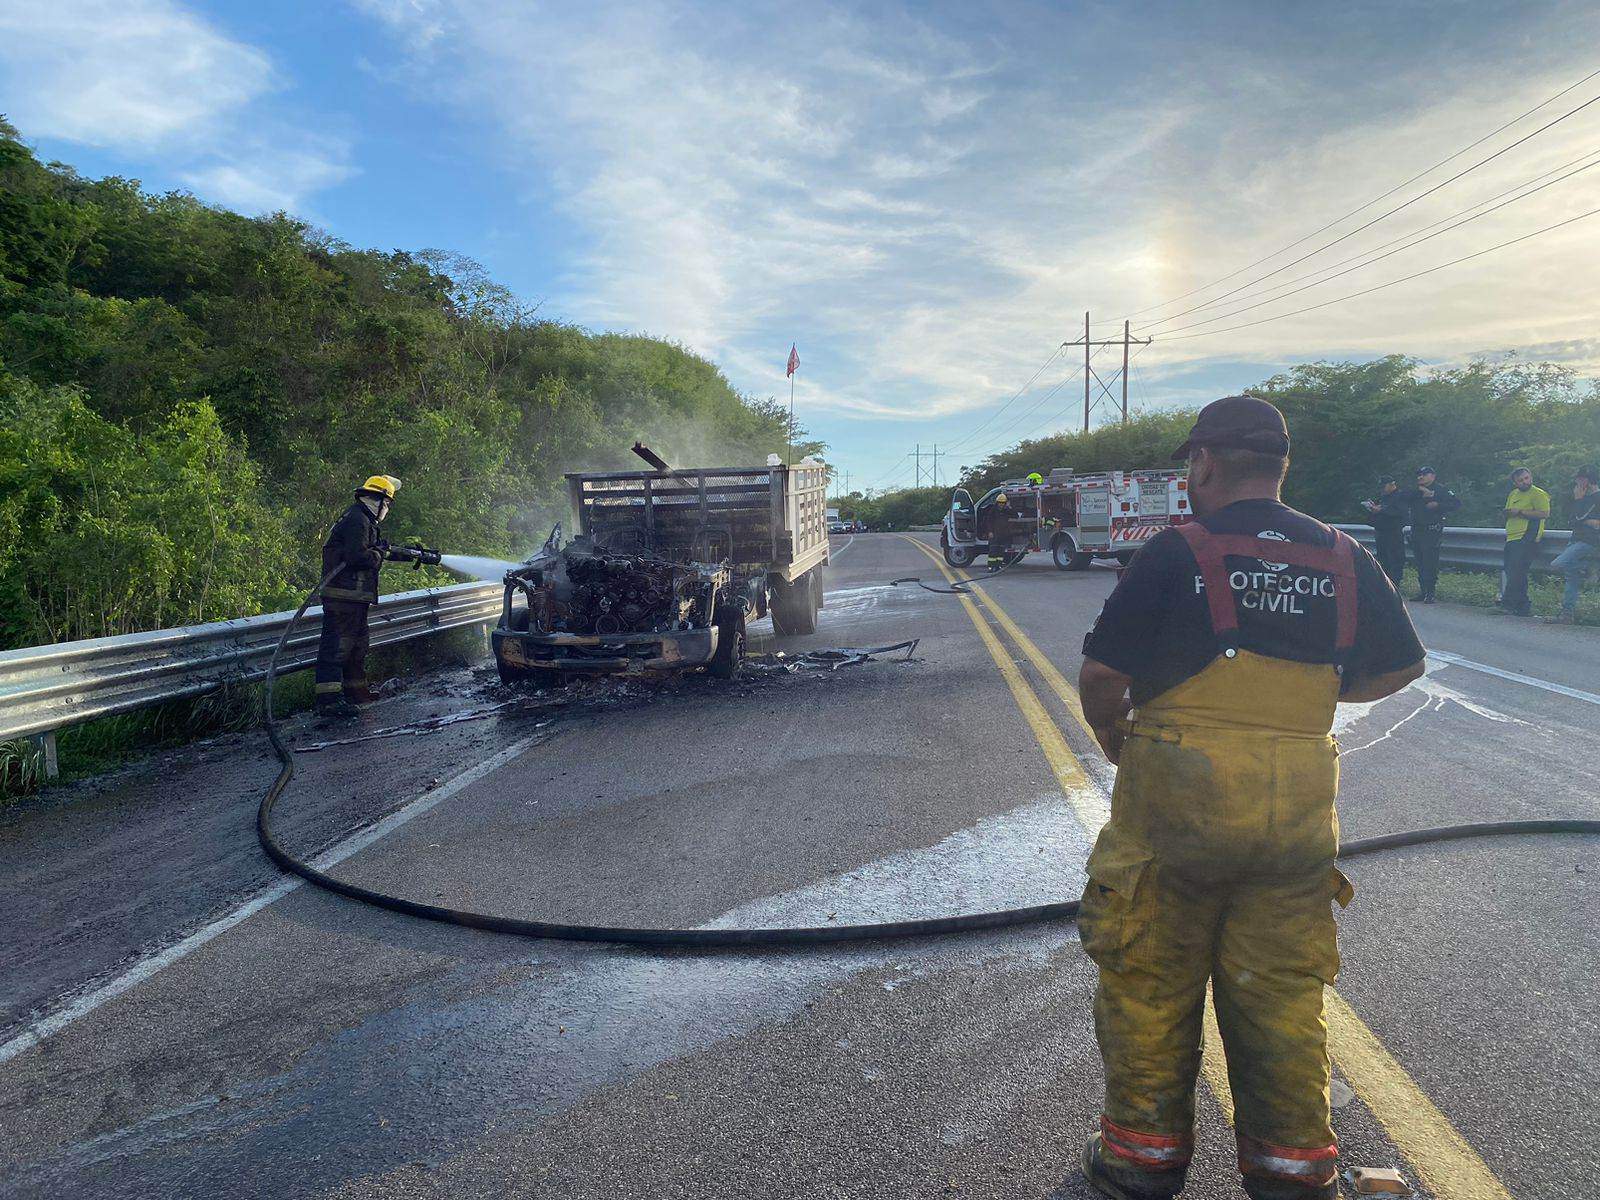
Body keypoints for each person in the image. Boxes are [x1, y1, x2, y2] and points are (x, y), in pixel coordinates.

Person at [1076, 395, 1425, 1200]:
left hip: (1177, 822)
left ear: (1202, 464)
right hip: (1294, 824)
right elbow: (1402, 666)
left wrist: (1113, 739)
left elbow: (1103, 677)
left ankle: (1140, 1163)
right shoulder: (1345, 556)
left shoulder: (1175, 552)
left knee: (1150, 981)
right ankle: (1292, 1172)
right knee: (1279, 996)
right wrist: (1300, 705)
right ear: (1281, 468)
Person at [316, 475, 401, 717]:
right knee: (337, 647)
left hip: (354, 598)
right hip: (343, 597)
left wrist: (385, 551)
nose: (388, 509)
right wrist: (378, 555)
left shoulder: (363, 519)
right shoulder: (357, 520)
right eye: (388, 504)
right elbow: (357, 557)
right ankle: (328, 702)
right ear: (379, 500)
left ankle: (356, 693)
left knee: (357, 646)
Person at [1544, 465, 1599, 624]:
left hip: (1589, 542)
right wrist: (1585, 517)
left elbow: (1584, 518)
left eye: (1580, 479)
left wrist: (1582, 510)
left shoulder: (1596, 498)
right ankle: (1567, 614)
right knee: (1571, 577)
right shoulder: (1581, 498)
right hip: (1575, 539)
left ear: (1588, 480)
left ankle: (1587, 569)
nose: (1576, 482)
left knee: (1558, 564)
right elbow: (1573, 520)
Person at [1399, 466, 1459, 603]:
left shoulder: (1441, 490)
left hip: (1432, 531)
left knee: (1429, 562)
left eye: (1424, 474)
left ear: (1433, 476)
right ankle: (1423, 591)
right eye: (1419, 475)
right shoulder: (1415, 491)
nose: (1420, 477)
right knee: (1419, 562)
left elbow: (1456, 504)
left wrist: (1438, 505)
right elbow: (1401, 496)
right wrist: (1420, 491)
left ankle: (1430, 593)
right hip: (1417, 530)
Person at [1498, 467, 1550, 617]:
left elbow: (1544, 513)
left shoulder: (1538, 493)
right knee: (1512, 570)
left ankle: (1508, 603)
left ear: (1530, 477)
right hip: (1512, 537)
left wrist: (1520, 512)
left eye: (1526, 478)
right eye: (1520, 480)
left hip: (1527, 536)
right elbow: (1508, 511)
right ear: (1515, 483)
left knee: (1516, 571)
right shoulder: (1513, 494)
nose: (1524, 482)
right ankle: (1522, 606)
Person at [1360, 475, 1408, 587]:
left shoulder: (1400, 496)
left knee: (1395, 559)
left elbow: (1401, 513)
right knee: (1383, 559)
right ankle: (1385, 583)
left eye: (1384, 486)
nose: (1382, 489)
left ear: (1392, 484)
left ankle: (1395, 584)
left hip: (1393, 532)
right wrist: (1373, 508)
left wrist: (1382, 509)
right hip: (1381, 532)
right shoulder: (1383, 497)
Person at [985, 491, 1015, 570]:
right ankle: (991, 567)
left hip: (1003, 534)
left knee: (1001, 551)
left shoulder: (1006, 510)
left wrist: (1009, 508)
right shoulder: (993, 511)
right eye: (1000, 503)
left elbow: (1015, 515)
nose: (1001, 504)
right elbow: (989, 521)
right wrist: (990, 531)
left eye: (1003, 503)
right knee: (993, 551)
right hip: (994, 534)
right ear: (997, 502)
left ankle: (998, 566)